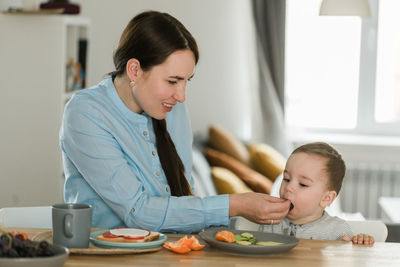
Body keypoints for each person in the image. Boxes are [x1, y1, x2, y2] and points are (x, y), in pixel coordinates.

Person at [59, 10, 290, 233]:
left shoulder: (173, 110)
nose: (181, 96)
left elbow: (185, 197)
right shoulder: (86, 113)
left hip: (169, 250)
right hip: (105, 256)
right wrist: (235, 205)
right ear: (134, 70)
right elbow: (139, 211)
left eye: (186, 81)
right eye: (172, 81)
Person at [260, 142, 374, 245]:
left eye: (303, 184)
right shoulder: (270, 223)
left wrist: (359, 241)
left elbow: (349, 258)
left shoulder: (337, 230)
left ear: (326, 198)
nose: (289, 187)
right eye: (286, 179)